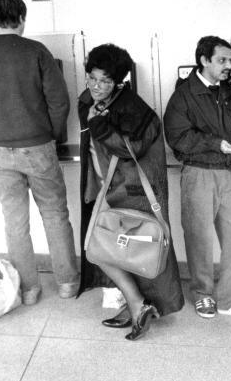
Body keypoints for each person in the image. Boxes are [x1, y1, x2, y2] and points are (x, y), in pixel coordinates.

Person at [0, 0, 79, 305]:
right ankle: (68, 284)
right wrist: (52, 136)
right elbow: (59, 101)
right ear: (20, 19)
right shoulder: (36, 51)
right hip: (37, 146)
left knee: (14, 222)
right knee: (55, 215)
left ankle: (28, 290)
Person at [78, 44, 185, 340]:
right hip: (108, 188)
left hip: (134, 191)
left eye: (105, 81)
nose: (97, 86)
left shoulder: (135, 108)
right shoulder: (88, 100)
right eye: (92, 78)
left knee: (131, 251)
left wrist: (99, 125)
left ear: (119, 82)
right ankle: (137, 303)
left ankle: (138, 304)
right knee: (110, 249)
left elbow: (131, 148)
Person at [163, 36, 231, 321]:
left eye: (230, 60)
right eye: (221, 60)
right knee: (199, 239)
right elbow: (177, 136)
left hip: (228, 173)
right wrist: (215, 143)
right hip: (199, 173)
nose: (228, 65)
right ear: (204, 61)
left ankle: (230, 298)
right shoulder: (184, 95)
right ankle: (203, 295)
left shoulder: (228, 89)